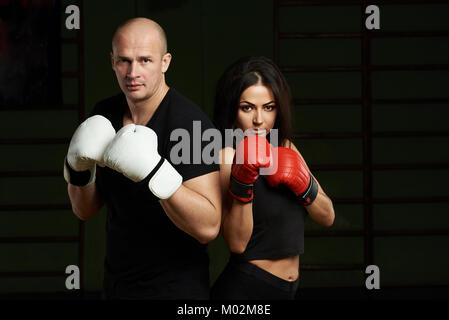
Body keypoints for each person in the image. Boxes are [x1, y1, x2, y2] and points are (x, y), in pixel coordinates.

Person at [63, 18, 221, 299]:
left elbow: (208, 227)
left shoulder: (192, 126)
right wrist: (78, 168)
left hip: (176, 290)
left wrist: (154, 170)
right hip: (117, 286)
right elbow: (83, 210)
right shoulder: (104, 114)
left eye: (145, 60)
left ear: (165, 62)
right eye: (124, 60)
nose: (133, 72)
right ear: (112, 61)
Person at [210, 56, 335, 300]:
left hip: (287, 289)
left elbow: (327, 215)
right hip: (247, 287)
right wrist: (243, 180)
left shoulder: (286, 147)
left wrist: (304, 185)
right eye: (247, 107)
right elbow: (236, 244)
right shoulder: (228, 156)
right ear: (232, 109)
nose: (259, 119)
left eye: (268, 107)